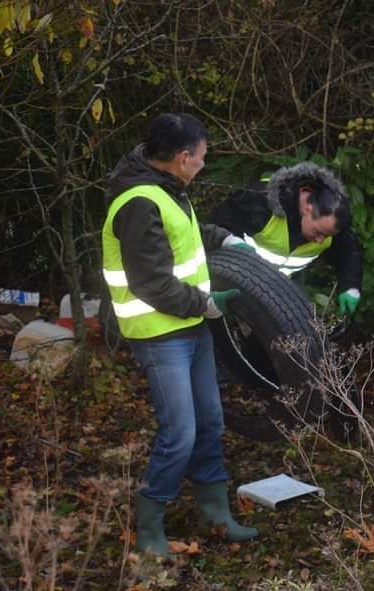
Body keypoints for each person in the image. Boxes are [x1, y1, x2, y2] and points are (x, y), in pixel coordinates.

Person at [101, 112, 259, 556]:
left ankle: (215, 511)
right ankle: (150, 523)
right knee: (180, 432)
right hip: (159, 335)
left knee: (210, 421)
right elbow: (151, 281)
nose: (205, 165)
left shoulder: (166, 187)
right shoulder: (137, 202)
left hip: (191, 329)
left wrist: (225, 239)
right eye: (203, 157)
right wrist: (207, 305)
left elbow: (182, 238)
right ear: (184, 157)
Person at [210, 162, 364, 317]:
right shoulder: (260, 201)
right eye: (318, 232)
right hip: (231, 281)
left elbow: (348, 252)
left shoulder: (332, 222)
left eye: (326, 236)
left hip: (279, 292)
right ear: (308, 209)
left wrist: (350, 287)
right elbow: (216, 230)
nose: (320, 240)